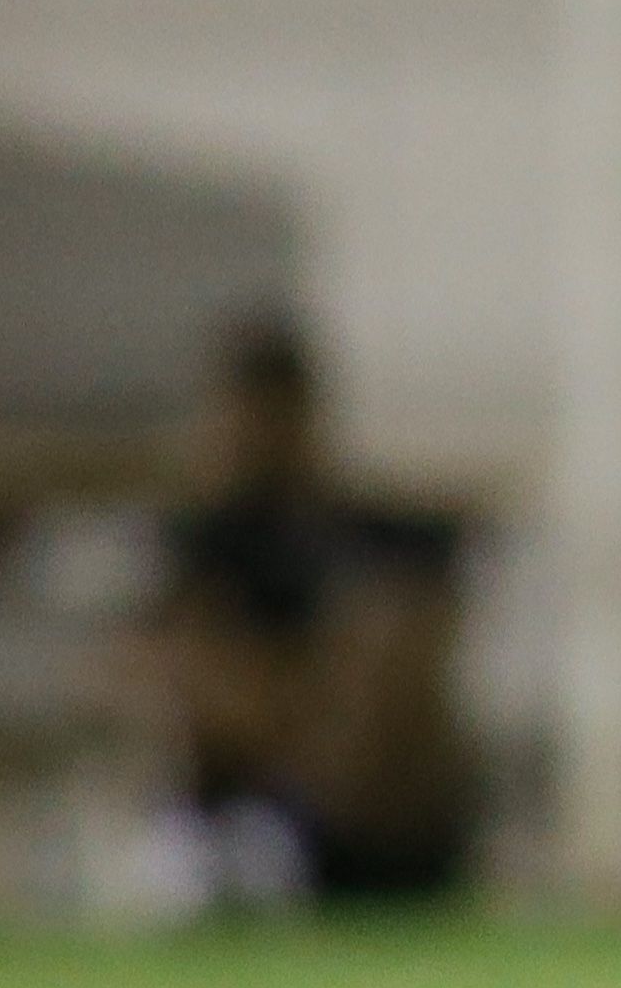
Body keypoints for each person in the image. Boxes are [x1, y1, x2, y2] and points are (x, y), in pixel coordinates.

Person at [150, 315, 476, 902]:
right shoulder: (207, 544)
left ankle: (361, 846)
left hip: (358, 768)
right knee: (201, 665)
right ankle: (258, 843)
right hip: (266, 761)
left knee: (386, 644)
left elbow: (421, 625)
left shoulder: (372, 531)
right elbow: (177, 656)